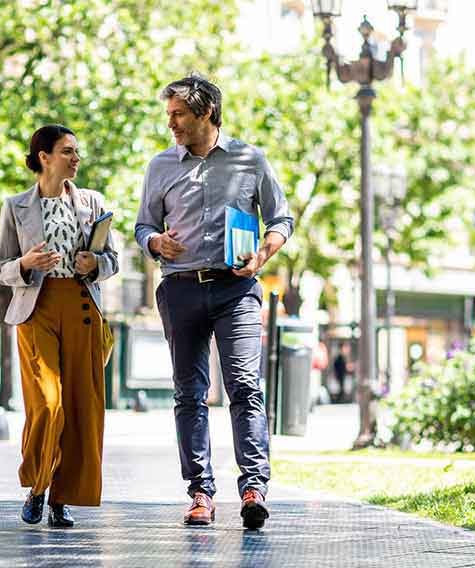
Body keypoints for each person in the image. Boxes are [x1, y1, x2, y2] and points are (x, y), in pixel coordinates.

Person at [135, 74, 294, 529]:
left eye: (178, 114)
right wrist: (154, 244)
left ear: (206, 113)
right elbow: (143, 226)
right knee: (190, 393)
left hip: (235, 289)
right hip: (181, 288)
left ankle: (253, 489)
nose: (171, 124)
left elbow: (281, 217)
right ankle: (201, 491)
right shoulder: (160, 166)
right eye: (169, 115)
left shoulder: (249, 159)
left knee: (245, 384)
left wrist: (264, 252)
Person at [0, 124, 119, 528]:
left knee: (82, 409)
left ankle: (61, 498)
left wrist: (95, 264)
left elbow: (112, 261)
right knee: (48, 404)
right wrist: (25, 265)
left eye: (76, 151)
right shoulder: (15, 207)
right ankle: (37, 486)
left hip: (83, 310)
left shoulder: (92, 202)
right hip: (37, 311)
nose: (76, 158)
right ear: (44, 157)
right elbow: (2, 269)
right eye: (68, 151)